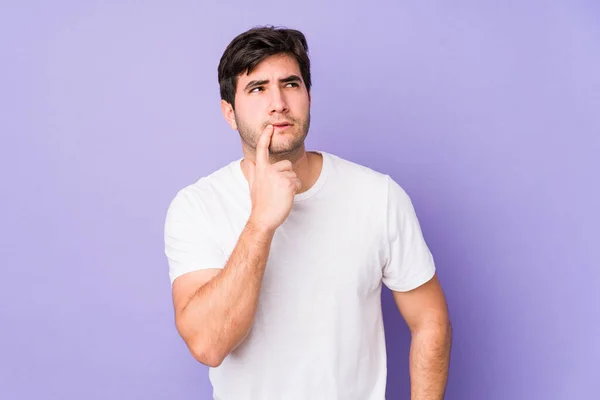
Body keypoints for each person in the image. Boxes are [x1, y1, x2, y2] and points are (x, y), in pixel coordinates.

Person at [163, 25, 451, 400]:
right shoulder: (197, 206)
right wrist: (261, 223)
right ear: (229, 113)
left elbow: (430, 319)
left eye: (291, 84)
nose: (278, 102)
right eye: (258, 88)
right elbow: (208, 345)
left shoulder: (378, 196)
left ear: (309, 97)